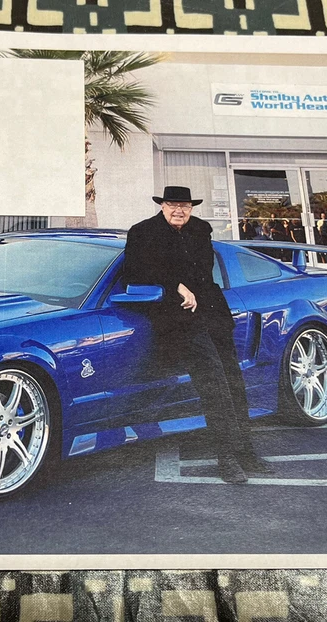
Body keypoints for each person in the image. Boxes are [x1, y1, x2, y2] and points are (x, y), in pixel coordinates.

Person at [122, 186, 271, 484]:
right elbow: (135, 272)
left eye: (185, 206)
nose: (179, 210)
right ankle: (226, 457)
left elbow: (203, 270)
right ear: (162, 206)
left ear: (191, 207)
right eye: (173, 204)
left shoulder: (201, 229)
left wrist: (190, 285)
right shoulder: (142, 232)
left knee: (232, 380)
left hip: (212, 313)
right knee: (214, 382)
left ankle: (245, 451)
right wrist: (175, 285)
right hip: (177, 317)